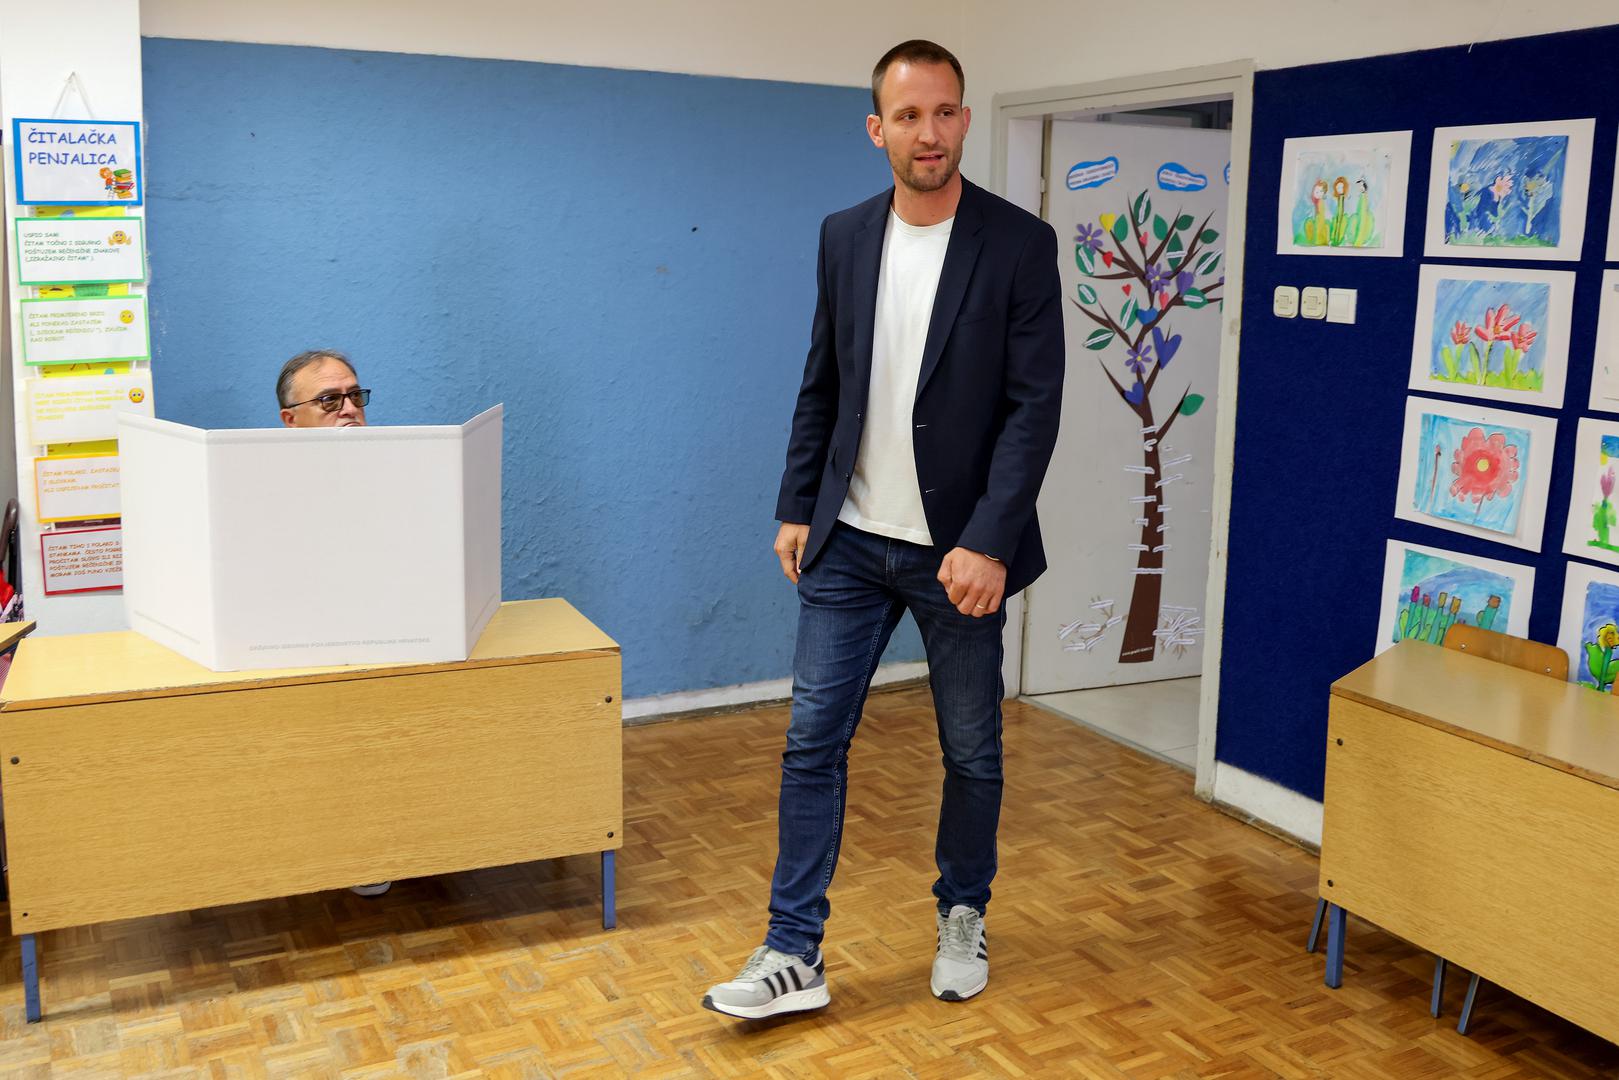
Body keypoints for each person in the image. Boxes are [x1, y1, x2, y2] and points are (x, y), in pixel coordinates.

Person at [703, 40, 1064, 1019]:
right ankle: (792, 951)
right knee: (811, 740)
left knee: (970, 749)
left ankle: (962, 911)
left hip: (959, 555)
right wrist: (796, 504)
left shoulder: (1017, 243)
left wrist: (989, 540)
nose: (928, 132)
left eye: (944, 112)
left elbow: (1033, 407)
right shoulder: (844, 235)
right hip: (850, 541)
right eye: (908, 115)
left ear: (964, 120)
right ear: (877, 129)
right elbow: (822, 380)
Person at [275, 348, 389, 898]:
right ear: (290, 419)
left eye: (354, 396)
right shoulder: (260, 483)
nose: (348, 409)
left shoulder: (402, 468)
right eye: (328, 400)